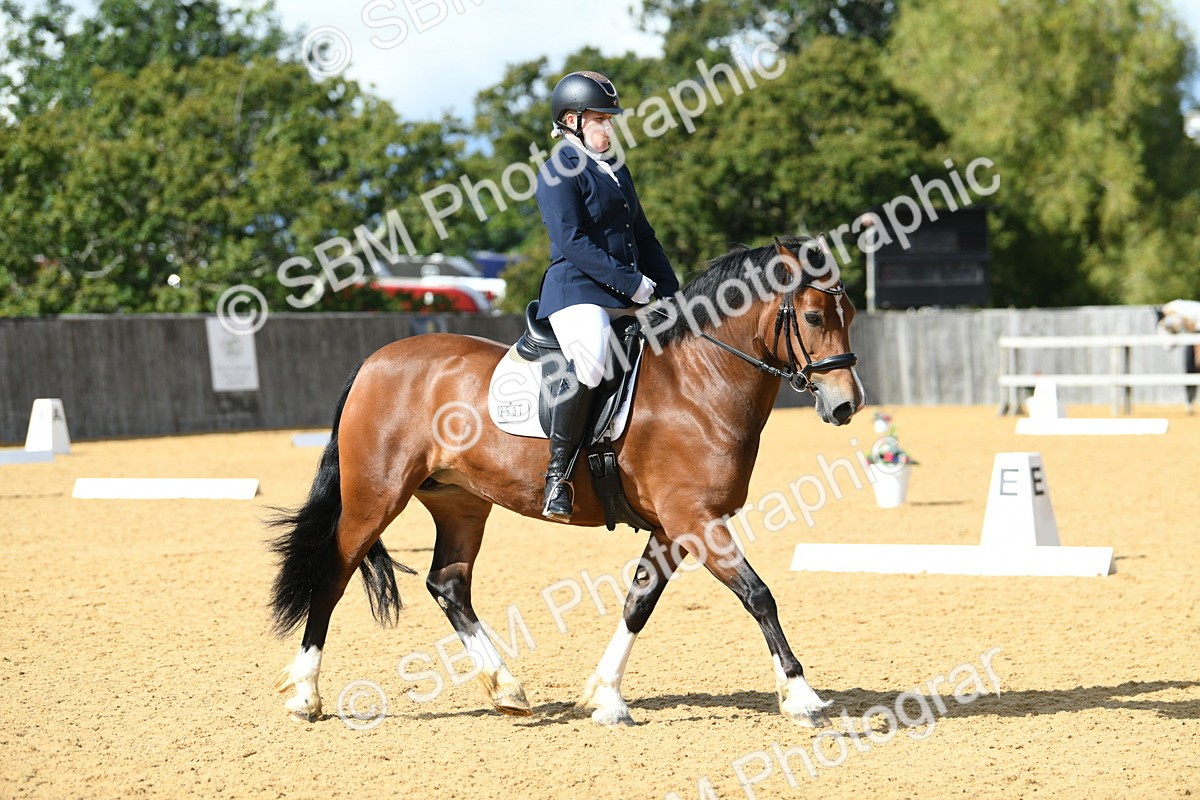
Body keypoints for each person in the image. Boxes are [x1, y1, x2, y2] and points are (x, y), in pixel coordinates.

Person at [534, 70, 680, 522]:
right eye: (600, 119)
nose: (608, 128)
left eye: (610, 120)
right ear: (572, 121)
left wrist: (674, 294)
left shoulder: (615, 169)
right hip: (576, 291)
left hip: (623, 292)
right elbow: (572, 241)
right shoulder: (557, 171)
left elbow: (644, 235)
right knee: (594, 359)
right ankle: (557, 477)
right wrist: (631, 283)